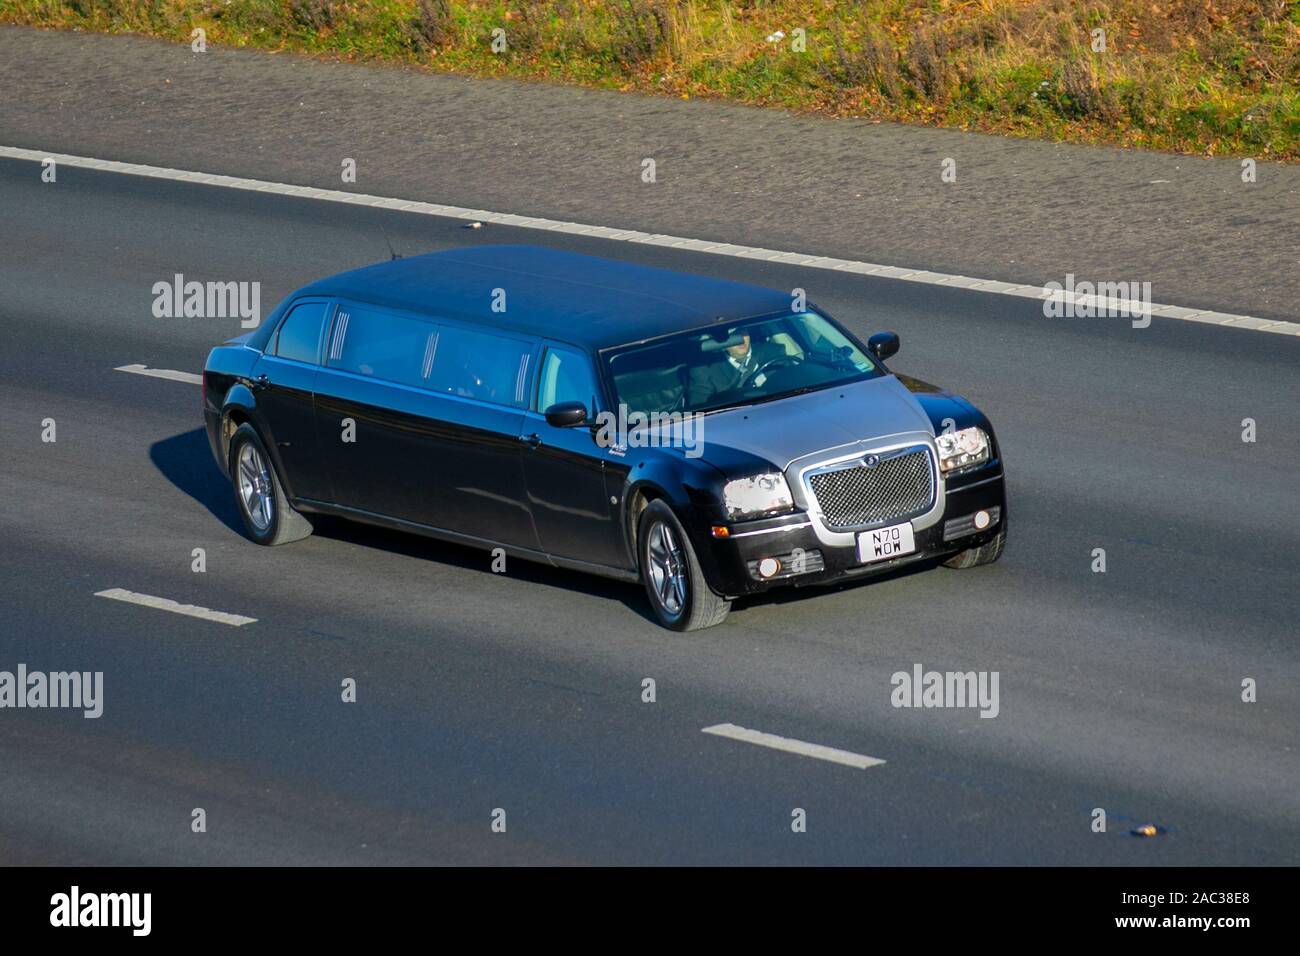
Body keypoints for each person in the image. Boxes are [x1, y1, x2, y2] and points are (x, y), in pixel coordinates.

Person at [688, 331, 785, 406]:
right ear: (719, 341)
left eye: (743, 332)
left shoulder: (774, 352)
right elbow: (699, 409)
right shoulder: (704, 370)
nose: (740, 339)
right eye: (732, 335)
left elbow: (790, 382)